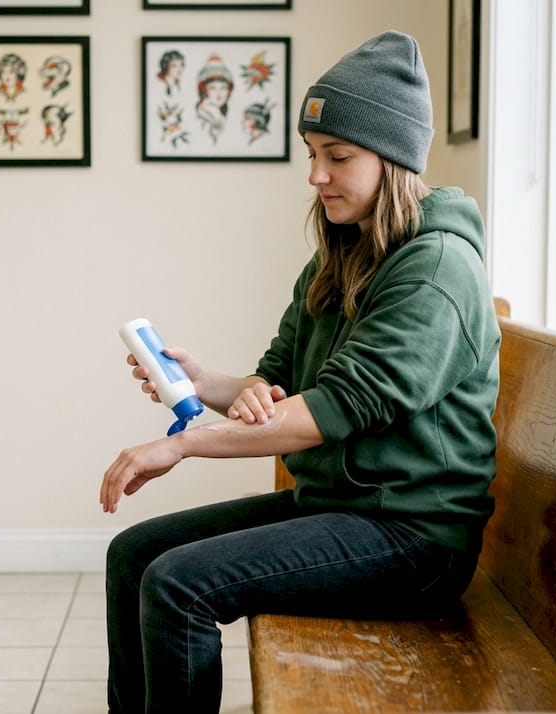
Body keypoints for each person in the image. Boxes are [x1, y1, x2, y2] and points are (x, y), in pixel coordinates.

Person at [101, 30, 501, 714]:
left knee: (178, 585)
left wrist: (182, 443)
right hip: (341, 509)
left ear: (394, 157)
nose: (316, 176)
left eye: (337, 157)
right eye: (313, 156)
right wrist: (209, 385)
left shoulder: (436, 271)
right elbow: (280, 383)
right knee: (134, 556)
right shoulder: (339, 255)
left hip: (413, 538)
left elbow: (324, 414)